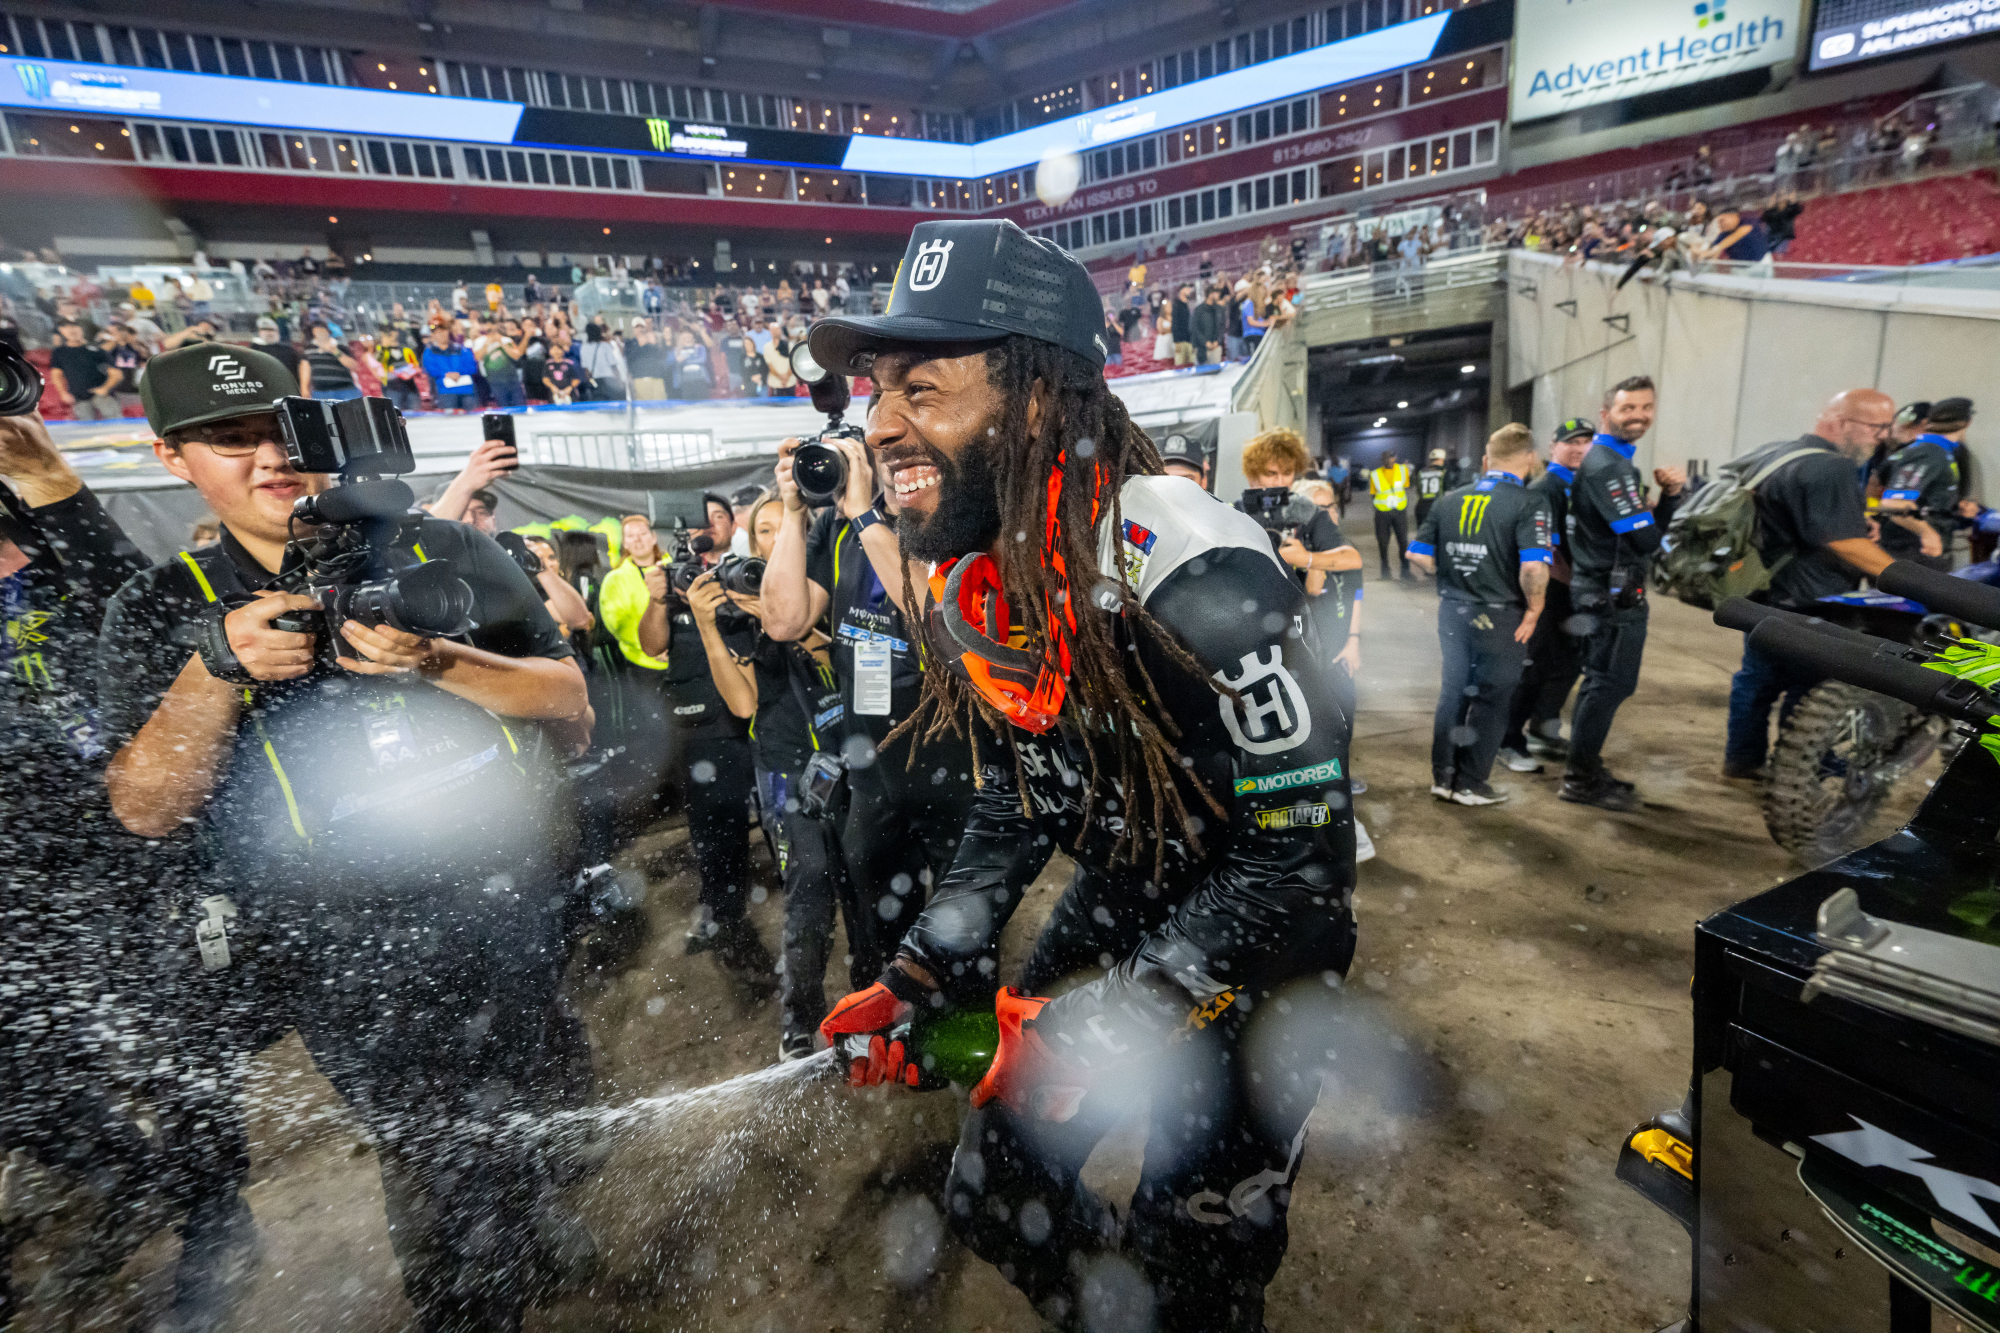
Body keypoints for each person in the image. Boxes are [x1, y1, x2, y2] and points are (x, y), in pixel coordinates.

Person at [809, 219, 1355, 1333]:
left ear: (1040, 401)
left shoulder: (1194, 564)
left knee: (1198, 1249)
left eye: (924, 387)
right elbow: (1024, 782)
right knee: (993, 1193)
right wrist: (925, 961)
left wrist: (1119, 1017)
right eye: (878, 390)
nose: (881, 423)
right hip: (1123, 895)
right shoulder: (981, 578)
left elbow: (1301, 858)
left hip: (1270, 940)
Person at [97, 344, 594, 1331]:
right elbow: (144, 807)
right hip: (343, 962)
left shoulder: (439, 548)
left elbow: (573, 708)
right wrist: (215, 669)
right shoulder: (159, 604)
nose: (270, 459)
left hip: (512, 914)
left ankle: (537, 1215)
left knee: (545, 1111)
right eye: (230, 439)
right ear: (170, 456)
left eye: (286, 432)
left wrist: (437, 661)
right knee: (441, 1177)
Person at [0, 412, 165, 1321]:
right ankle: (120, 1173)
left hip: (121, 841)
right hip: (11, 860)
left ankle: (203, 1200)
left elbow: (140, 611)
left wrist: (56, 482)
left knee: (175, 1040)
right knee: (25, 1060)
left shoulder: (58, 548)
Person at [760, 413, 981, 998]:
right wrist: (794, 509)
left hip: (950, 766)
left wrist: (863, 514)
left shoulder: (939, 517)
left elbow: (930, 609)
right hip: (873, 777)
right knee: (886, 923)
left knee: (965, 927)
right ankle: (905, 1025)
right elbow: (784, 620)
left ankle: (970, 1038)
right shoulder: (836, 534)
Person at [687, 495, 852, 1057]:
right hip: (783, 770)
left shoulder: (830, 586)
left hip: (849, 758)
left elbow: (837, 661)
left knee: (866, 883)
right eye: (764, 530)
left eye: (787, 529)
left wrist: (781, 616)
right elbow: (742, 704)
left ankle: (876, 999)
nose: (775, 539)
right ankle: (800, 1020)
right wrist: (711, 624)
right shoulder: (736, 613)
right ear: (753, 543)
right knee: (808, 894)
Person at [598, 512, 772, 983]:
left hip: (751, 706)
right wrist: (659, 601)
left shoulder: (735, 575)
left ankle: (763, 896)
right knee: (712, 822)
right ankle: (723, 907)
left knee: (760, 815)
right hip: (697, 719)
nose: (695, 566)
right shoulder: (667, 590)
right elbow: (651, 645)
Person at [1723, 390, 1898, 780]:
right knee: (1810, 690)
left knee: (1756, 680)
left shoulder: (1777, 453)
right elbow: (1840, 542)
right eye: (1875, 426)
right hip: (1812, 597)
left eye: (1886, 427)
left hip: (1760, 588)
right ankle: (1800, 769)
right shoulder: (1831, 468)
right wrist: (1904, 580)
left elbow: (1796, 517)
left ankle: (1742, 760)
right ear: (1839, 422)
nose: (1882, 436)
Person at [1408, 424, 1554, 805]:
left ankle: (1444, 777)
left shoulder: (1449, 499)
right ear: (1529, 458)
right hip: (1500, 617)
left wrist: (1453, 576)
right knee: (1491, 699)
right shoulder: (1529, 503)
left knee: (1453, 693)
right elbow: (1534, 568)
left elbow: (1417, 556)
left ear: (1487, 460)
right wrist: (1536, 608)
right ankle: (1472, 783)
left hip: (1452, 612)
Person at [1560, 376, 1687, 810]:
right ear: (1606, 414)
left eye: (1646, 408)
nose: (1638, 416)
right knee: (1607, 684)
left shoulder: (1615, 463)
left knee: (1606, 683)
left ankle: (1586, 766)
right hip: (1608, 594)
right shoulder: (1609, 466)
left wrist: (1659, 506)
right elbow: (1646, 541)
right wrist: (1671, 499)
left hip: (1607, 589)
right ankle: (1579, 778)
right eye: (1627, 408)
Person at [1499, 417, 1595, 771]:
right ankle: (1507, 739)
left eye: (1586, 442)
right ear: (1553, 446)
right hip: (1551, 593)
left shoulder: (1583, 485)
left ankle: (1542, 727)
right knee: (1533, 666)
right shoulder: (1546, 490)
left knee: (1568, 663)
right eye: (1571, 442)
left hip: (1575, 594)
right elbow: (1545, 554)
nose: (1579, 448)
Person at [1877, 396, 1970, 571]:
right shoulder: (1930, 453)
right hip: (1913, 554)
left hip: (1914, 552)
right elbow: (1894, 504)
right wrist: (1927, 533)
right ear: (1967, 422)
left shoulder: (1939, 452)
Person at [47, 320, 124, 420]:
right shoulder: (59, 352)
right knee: (85, 428)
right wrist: (63, 393)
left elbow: (117, 374)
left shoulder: (97, 350)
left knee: (115, 424)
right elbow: (56, 375)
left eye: (75, 327)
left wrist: (105, 388)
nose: (71, 330)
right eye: (66, 327)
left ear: (81, 330)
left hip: (102, 397)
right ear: (61, 331)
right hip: (79, 398)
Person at [1368, 449, 1414, 579]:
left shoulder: (1402, 470)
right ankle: (1385, 573)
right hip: (1382, 512)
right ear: (1382, 460)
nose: (1388, 460)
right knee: (1382, 542)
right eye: (1385, 458)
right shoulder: (1375, 474)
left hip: (1399, 510)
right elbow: (1373, 494)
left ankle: (1405, 572)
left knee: (1403, 541)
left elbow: (1405, 488)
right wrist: (1380, 506)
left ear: (1395, 458)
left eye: (1390, 458)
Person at [421, 326, 480, 410]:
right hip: (445, 391)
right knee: (449, 419)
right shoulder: (429, 352)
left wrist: (459, 373)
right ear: (433, 335)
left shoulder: (460, 349)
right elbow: (430, 369)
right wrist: (446, 374)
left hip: (466, 390)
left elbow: (472, 365)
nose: (442, 335)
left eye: (444, 332)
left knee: (471, 416)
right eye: (439, 333)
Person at [300, 323, 363, 401]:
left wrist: (334, 350)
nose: (321, 335)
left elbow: (354, 365)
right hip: (321, 393)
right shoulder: (309, 350)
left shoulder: (340, 347)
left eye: (322, 332)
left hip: (346, 390)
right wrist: (304, 388)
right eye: (317, 333)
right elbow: (305, 368)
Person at [579, 325, 628, 402]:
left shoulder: (583, 348)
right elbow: (613, 365)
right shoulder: (605, 346)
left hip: (595, 380)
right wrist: (619, 380)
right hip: (608, 379)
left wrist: (589, 380)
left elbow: (585, 369)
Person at [252, 316, 303, 389]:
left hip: (286, 388)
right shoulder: (254, 350)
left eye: (272, 330)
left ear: (278, 332)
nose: (269, 333)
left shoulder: (288, 350)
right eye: (265, 329)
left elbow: (298, 371)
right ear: (260, 332)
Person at [1414, 447, 1449, 529]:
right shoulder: (1443, 472)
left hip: (1421, 507)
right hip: (1437, 506)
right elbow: (1447, 492)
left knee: (1422, 535)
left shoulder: (1421, 472)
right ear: (1441, 460)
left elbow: (1418, 490)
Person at [1170, 283, 1195, 366]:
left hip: (1189, 339)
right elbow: (1175, 324)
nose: (1189, 290)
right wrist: (1176, 341)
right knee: (1181, 364)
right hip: (1180, 340)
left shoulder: (1188, 305)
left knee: (1191, 363)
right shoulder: (1177, 305)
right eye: (1187, 288)